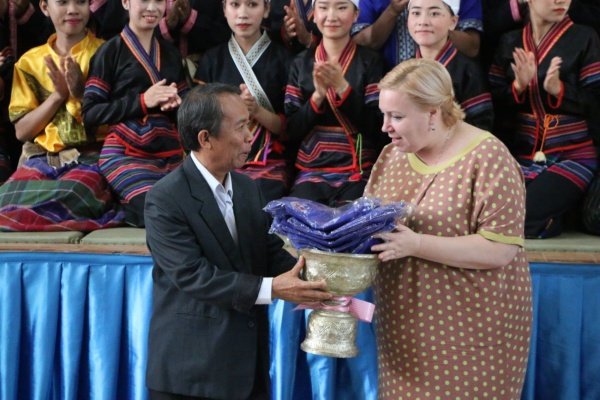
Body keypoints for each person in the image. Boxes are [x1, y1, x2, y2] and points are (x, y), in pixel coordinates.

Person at [144, 82, 332, 400]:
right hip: (190, 374)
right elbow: (194, 276)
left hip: (247, 369)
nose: (250, 136)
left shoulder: (248, 187)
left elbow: (268, 252)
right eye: (241, 126)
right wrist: (273, 289)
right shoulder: (165, 198)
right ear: (206, 138)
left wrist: (319, 276)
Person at [365, 58, 532, 399]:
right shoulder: (391, 156)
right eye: (383, 114)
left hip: (474, 332)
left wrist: (417, 244)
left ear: (433, 113)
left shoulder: (489, 156)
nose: (385, 127)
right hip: (403, 330)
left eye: (397, 116)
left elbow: (501, 249)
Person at [0, 0, 124, 231]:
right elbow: (22, 132)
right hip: (42, 159)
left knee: (73, 193)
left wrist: (80, 94)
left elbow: (121, 121)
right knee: (5, 201)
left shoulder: (110, 53)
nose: (73, 10)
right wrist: (58, 96)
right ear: (44, 7)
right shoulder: (29, 62)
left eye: (81, 2)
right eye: (63, 2)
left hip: (94, 156)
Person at [489, 0, 600, 238]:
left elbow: (596, 101)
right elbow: (494, 104)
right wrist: (518, 87)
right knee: (489, 212)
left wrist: (560, 90)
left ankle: (560, 216)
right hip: (522, 155)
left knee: (520, 217)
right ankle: (560, 213)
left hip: (573, 154)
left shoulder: (585, 37)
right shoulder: (510, 41)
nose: (561, 1)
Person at [82, 0, 189, 227]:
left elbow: (187, 110)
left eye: (158, 1)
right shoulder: (109, 52)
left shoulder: (171, 54)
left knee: (190, 206)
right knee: (157, 208)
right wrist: (142, 101)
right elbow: (90, 114)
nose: (151, 7)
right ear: (125, 2)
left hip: (168, 152)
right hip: (124, 152)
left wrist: (176, 104)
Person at [285, 0, 384, 206]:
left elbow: (379, 128)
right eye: (323, 7)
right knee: (300, 216)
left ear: (356, 15)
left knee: (353, 219)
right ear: (314, 14)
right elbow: (291, 131)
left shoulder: (371, 61)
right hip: (312, 169)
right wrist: (318, 96)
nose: (331, 16)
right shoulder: (300, 63)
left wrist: (342, 88)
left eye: (341, 7)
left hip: (359, 168)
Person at [194, 0, 294, 202]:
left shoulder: (285, 60)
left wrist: (257, 111)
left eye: (252, 4)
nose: (243, 13)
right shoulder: (212, 59)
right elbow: (199, 121)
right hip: (220, 157)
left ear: (266, 9)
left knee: (260, 196)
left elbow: (291, 128)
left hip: (268, 160)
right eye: (235, 4)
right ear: (224, 9)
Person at [407, 0, 493, 131]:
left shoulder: (468, 71)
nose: (423, 21)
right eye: (416, 13)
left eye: (434, 13)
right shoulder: (404, 70)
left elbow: (481, 126)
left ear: (453, 22)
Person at [351, 0, 482, 71]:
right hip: (390, 82)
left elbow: (472, 47)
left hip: (452, 79)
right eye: (416, 14)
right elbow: (360, 45)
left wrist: (438, 26)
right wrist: (392, 11)